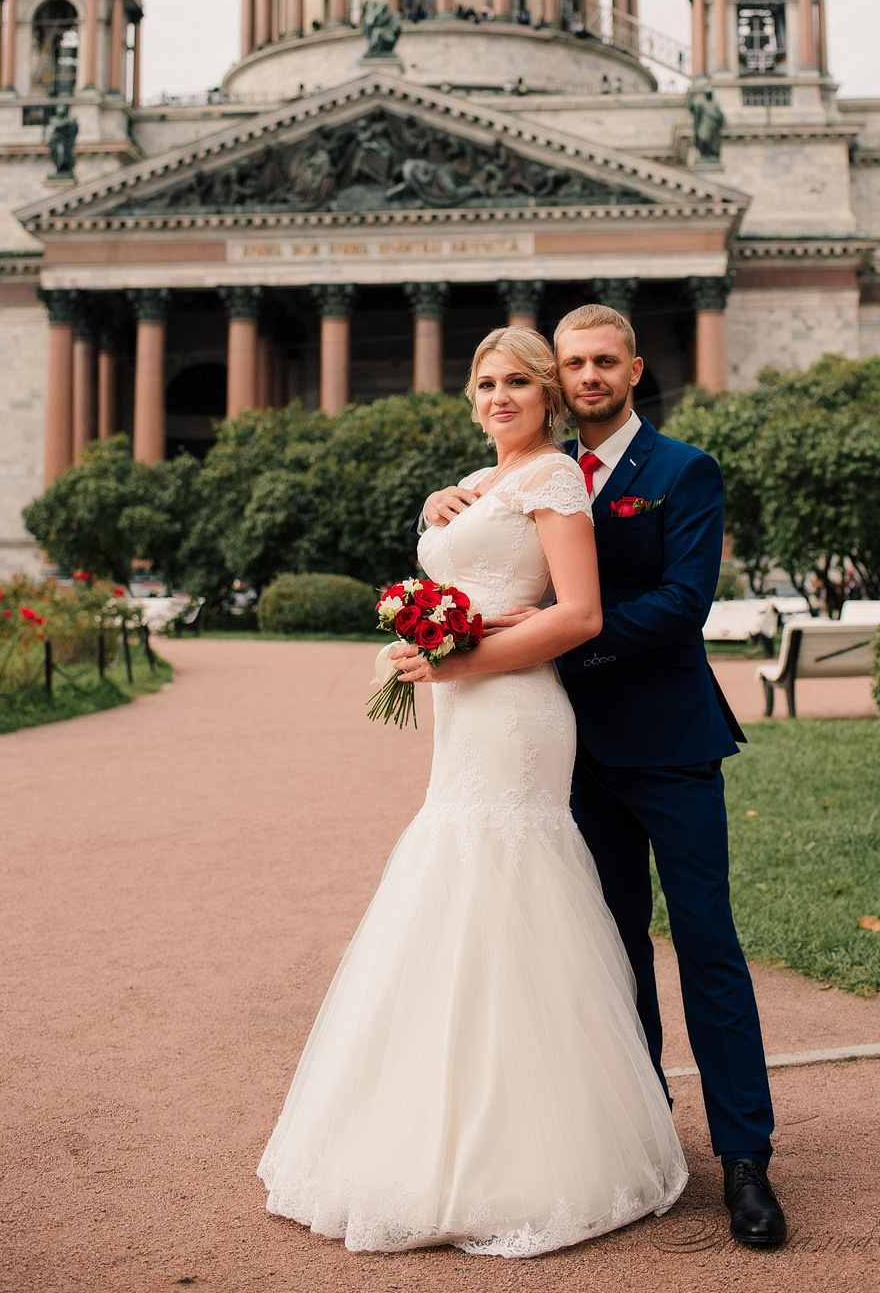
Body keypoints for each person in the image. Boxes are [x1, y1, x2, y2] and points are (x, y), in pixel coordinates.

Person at [257, 326, 687, 1257]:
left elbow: (580, 613)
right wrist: (426, 624)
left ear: (548, 397)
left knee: (507, 879)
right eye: (487, 383)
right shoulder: (470, 484)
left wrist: (459, 659)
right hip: (463, 714)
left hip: (516, 712)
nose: (501, 397)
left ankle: (540, 1147)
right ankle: (431, 1126)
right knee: (450, 882)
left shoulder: (555, 479)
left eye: (520, 384)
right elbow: (460, 582)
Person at [421, 305, 787, 1248]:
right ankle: (639, 1133)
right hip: (566, 752)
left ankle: (746, 1158)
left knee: (707, 945)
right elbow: (495, 544)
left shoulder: (679, 471)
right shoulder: (528, 466)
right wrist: (441, 507)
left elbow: (681, 600)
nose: (586, 376)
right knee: (607, 948)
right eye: (572, 362)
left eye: (602, 362)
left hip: (668, 741)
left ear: (632, 370)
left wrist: (539, 646)